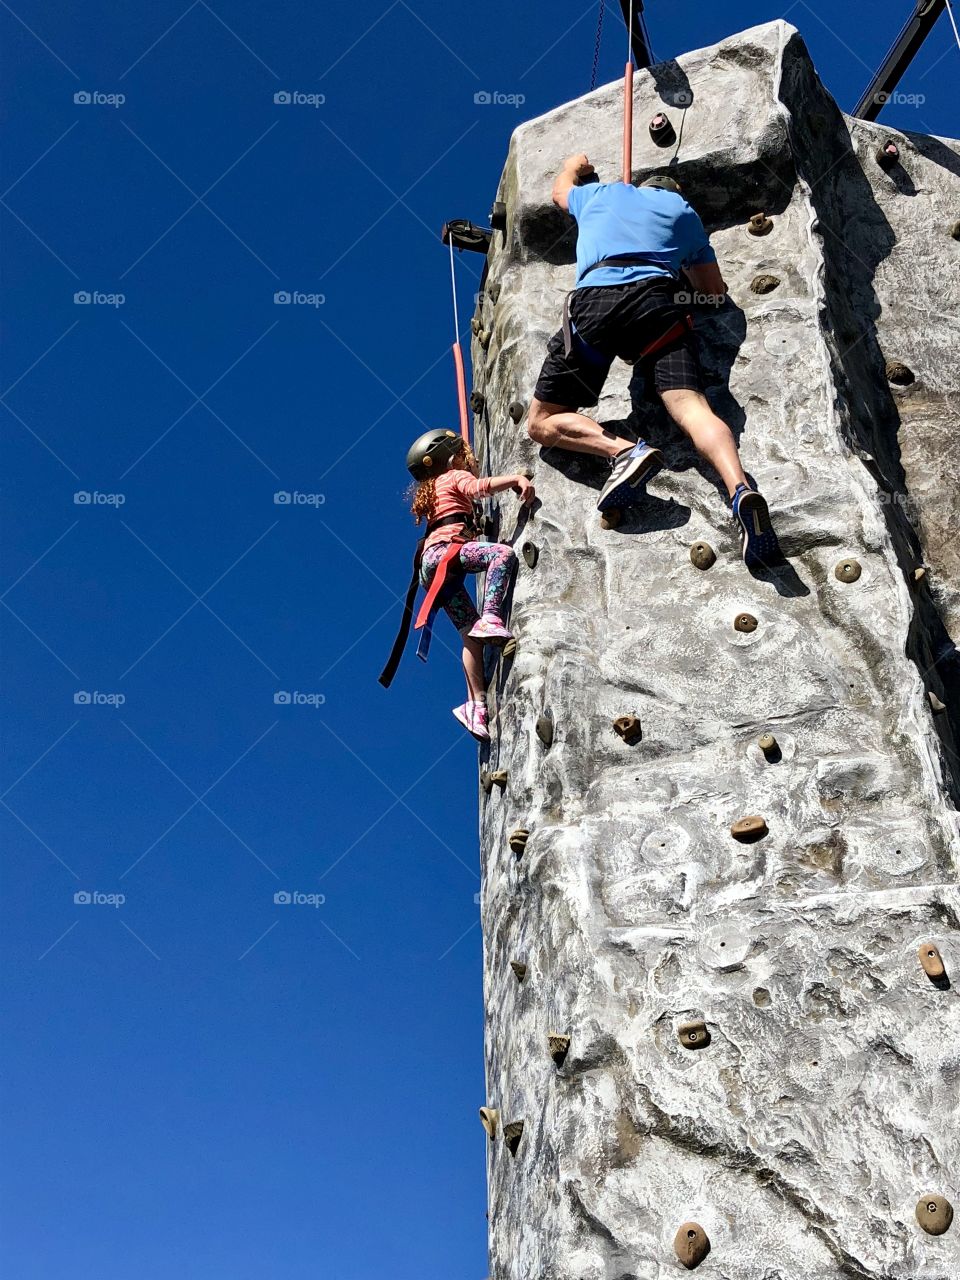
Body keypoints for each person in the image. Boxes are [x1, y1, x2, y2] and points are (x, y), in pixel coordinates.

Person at [527, 154, 779, 568]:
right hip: (660, 306)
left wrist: (575, 164)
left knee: (542, 421)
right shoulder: (684, 214)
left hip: (597, 304)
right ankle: (739, 489)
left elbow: (559, 191)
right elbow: (713, 292)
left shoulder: (603, 194)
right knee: (691, 407)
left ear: (644, 186)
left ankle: (624, 453)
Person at [383, 429, 534, 742]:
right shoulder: (453, 476)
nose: (470, 460)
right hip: (446, 554)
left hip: (432, 565)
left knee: (469, 633)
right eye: (465, 455)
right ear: (452, 458)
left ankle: (475, 706)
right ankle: (492, 616)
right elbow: (480, 487)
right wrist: (516, 480)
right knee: (502, 555)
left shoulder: (435, 490)